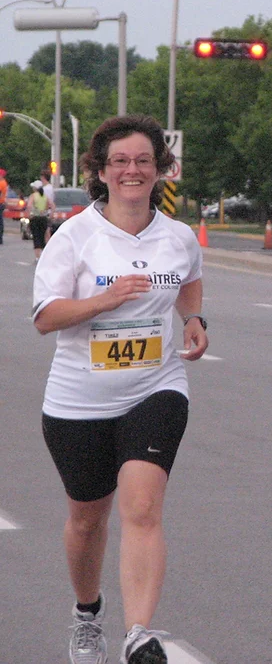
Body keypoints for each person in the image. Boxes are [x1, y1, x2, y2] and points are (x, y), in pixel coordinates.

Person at [32, 114, 209, 664]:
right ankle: (89, 616)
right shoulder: (75, 236)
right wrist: (104, 301)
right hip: (77, 400)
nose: (132, 170)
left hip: (156, 388)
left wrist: (196, 320)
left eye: (143, 161)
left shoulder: (177, 237)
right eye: (120, 162)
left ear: (161, 169)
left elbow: (189, 281)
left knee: (143, 506)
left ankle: (139, 634)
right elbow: (45, 317)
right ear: (101, 171)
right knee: (87, 520)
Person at [27, 180, 52, 260]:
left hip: (35, 218)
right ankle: (44, 254)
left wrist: (29, 214)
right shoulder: (45, 196)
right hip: (43, 218)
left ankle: (38, 256)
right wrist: (49, 214)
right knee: (43, 236)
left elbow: (29, 206)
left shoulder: (33, 196)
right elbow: (51, 205)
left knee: (36, 236)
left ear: (35, 188)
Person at [0, 167, 7, 244]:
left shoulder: (1, 183)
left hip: (0, 203)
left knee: (0, 221)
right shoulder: (4, 182)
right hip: (2, 203)